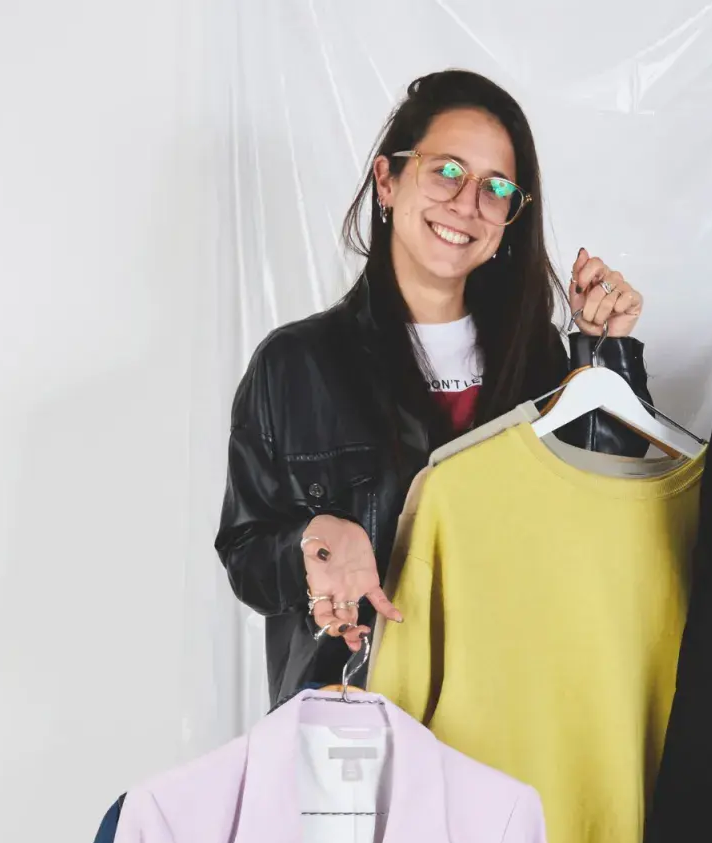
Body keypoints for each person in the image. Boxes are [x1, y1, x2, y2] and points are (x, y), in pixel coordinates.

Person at [216, 69, 656, 703]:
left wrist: (603, 355)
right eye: (446, 171)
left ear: (510, 218)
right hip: (357, 718)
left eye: (496, 188)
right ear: (388, 181)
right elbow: (245, 552)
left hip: (509, 720)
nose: (467, 204)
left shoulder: (540, 363)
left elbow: (605, 514)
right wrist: (311, 545)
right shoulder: (296, 365)